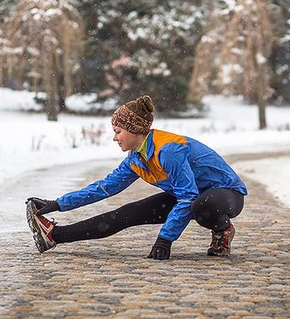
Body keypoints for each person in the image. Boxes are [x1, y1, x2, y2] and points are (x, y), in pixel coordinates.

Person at [26, 95, 247, 260]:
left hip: (226, 195)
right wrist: (56, 204)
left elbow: (187, 197)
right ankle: (54, 236)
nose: (115, 138)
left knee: (201, 205)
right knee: (125, 214)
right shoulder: (136, 158)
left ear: (135, 130)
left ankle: (222, 230)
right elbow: (103, 188)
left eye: (118, 131)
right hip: (191, 196)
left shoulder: (169, 150)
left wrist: (165, 239)